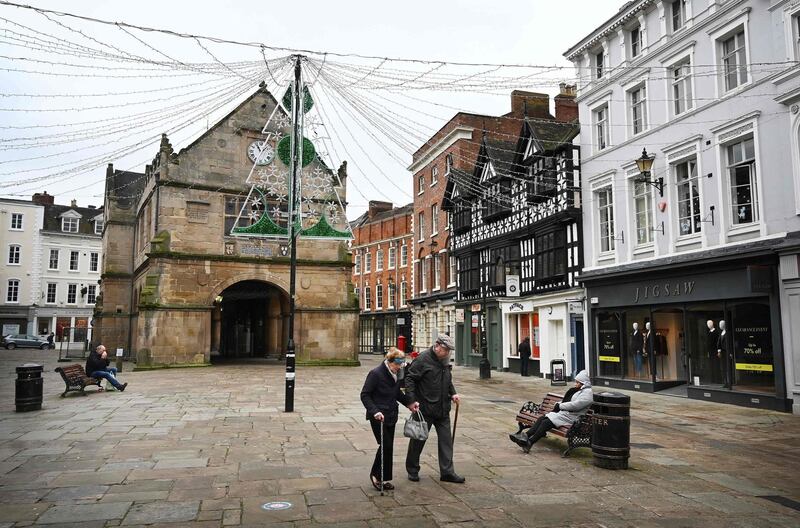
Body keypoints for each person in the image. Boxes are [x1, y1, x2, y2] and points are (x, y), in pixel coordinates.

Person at [404, 334, 465, 484]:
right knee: (418, 440)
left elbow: (447, 379)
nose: (448, 354)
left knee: (446, 441)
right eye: (446, 350)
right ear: (437, 346)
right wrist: (411, 401)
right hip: (425, 409)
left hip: (443, 408)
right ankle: (412, 469)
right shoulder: (422, 359)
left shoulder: (443, 360)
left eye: (449, 351)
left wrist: (453, 393)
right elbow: (410, 379)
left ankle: (447, 472)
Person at [360, 348, 416, 491]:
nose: (399, 368)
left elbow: (396, 393)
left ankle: (383, 478)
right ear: (389, 361)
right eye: (397, 364)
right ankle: (375, 475)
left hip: (391, 415)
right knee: (386, 445)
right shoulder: (376, 374)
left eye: (401, 365)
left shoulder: (396, 373)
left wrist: (409, 403)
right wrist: (375, 411)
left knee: (388, 446)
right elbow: (365, 395)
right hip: (378, 416)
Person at [509, 370, 592, 453]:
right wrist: (558, 403)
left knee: (546, 423)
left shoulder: (587, 393)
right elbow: (567, 401)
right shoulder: (578, 390)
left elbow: (576, 405)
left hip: (573, 418)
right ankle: (525, 436)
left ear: (583, 383)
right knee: (542, 418)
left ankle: (529, 442)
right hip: (566, 414)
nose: (575, 384)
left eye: (577, 382)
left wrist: (560, 406)